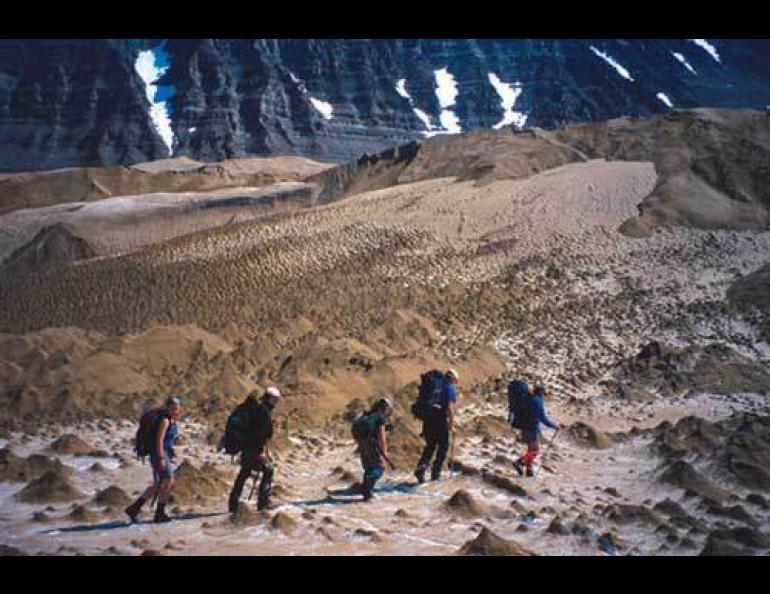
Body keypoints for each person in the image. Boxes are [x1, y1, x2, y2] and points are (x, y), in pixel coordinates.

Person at [125, 396, 182, 523]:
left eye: (177, 408)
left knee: (159, 484)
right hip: (159, 455)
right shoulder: (165, 421)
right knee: (168, 481)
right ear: (167, 408)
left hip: (163, 454)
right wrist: (161, 457)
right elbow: (159, 440)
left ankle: (134, 508)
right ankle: (159, 513)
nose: (175, 411)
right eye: (173, 408)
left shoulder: (172, 420)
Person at [227, 387, 281, 514]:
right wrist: (260, 452)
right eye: (276, 399)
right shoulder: (263, 411)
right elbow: (260, 434)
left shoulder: (258, 409)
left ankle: (233, 503)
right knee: (268, 470)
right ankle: (263, 503)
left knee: (244, 472)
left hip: (246, 448)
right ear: (270, 398)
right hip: (253, 450)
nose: (277, 402)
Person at [414, 368, 459, 483]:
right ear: (454, 379)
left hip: (428, 417)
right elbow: (449, 407)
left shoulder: (438, 385)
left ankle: (422, 467)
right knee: (443, 446)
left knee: (431, 445)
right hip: (440, 418)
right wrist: (452, 425)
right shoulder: (450, 388)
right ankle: (435, 474)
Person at [512, 383, 563, 477]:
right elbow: (542, 418)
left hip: (524, 427)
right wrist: (554, 426)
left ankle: (529, 471)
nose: (544, 395)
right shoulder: (538, 401)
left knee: (530, 449)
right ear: (541, 392)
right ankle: (519, 462)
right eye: (543, 393)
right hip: (532, 429)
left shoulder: (528, 399)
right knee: (535, 450)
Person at [355, 397, 396, 501]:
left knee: (368, 467)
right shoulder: (379, 418)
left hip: (361, 443)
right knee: (379, 468)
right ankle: (367, 488)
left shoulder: (367, 415)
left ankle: (367, 493)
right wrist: (385, 453)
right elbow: (382, 437)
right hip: (371, 443)